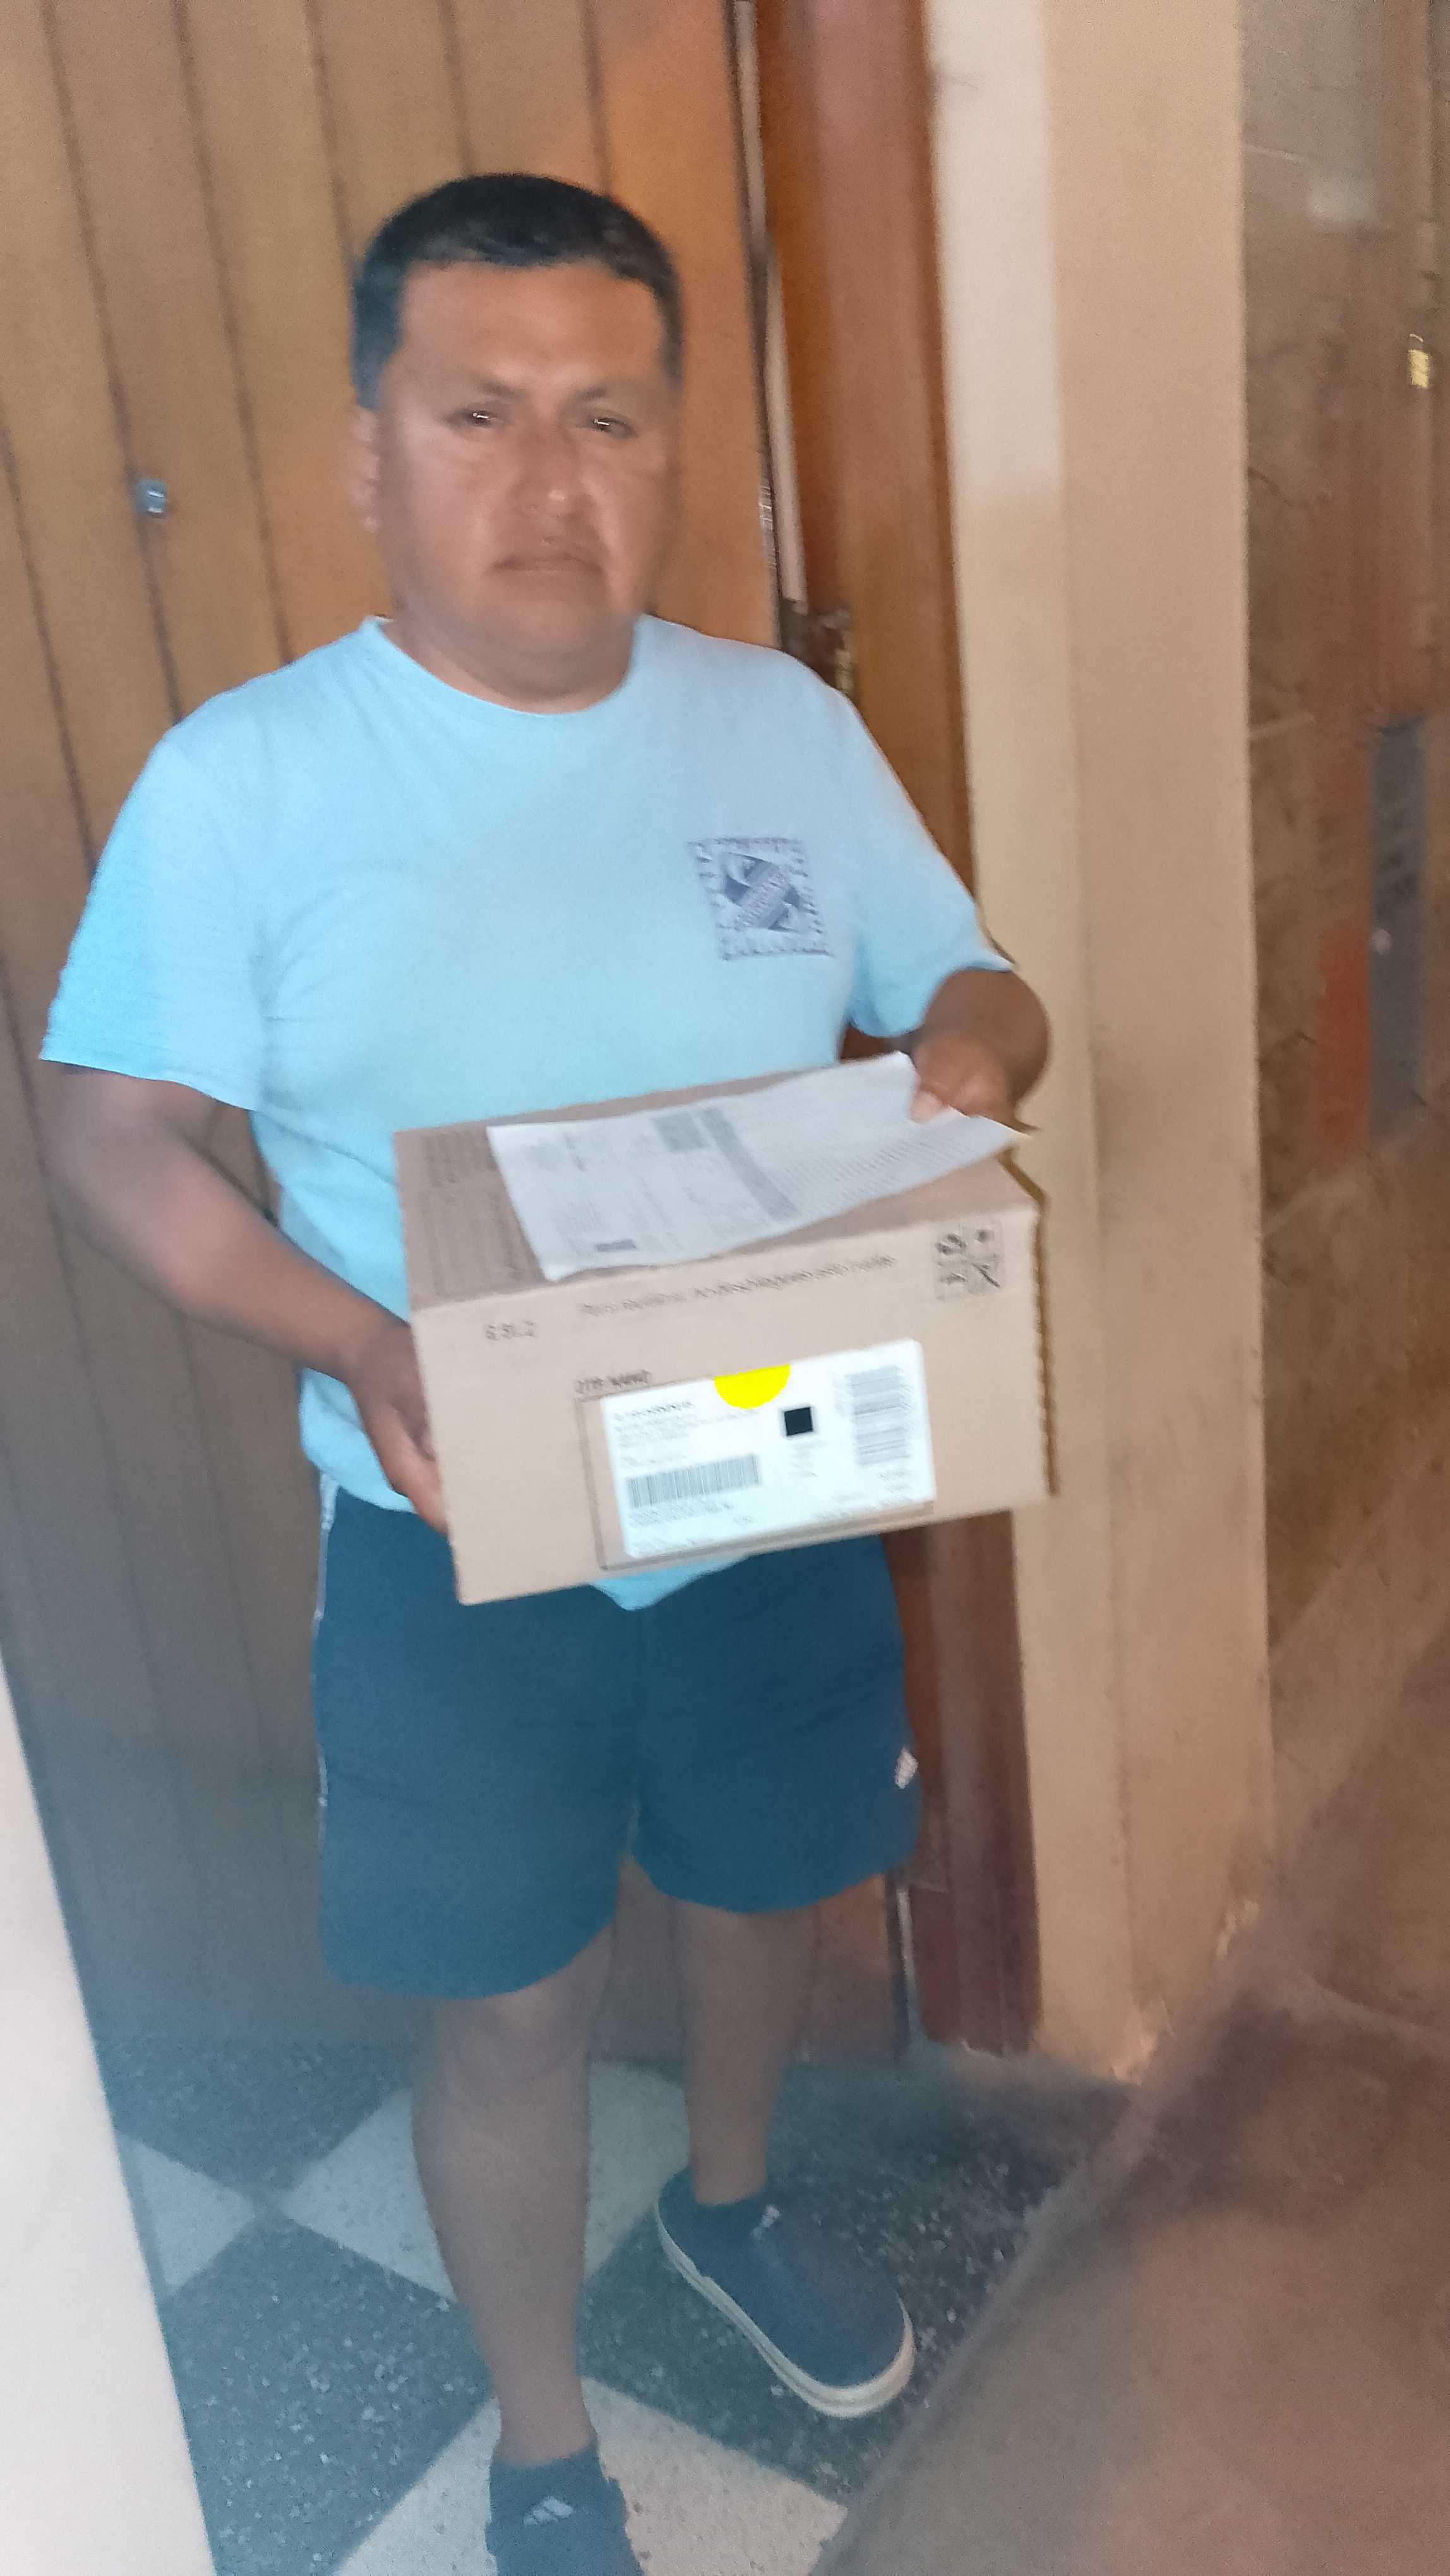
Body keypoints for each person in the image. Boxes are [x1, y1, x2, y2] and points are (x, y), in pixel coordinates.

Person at [41, 175, 1048, 2576]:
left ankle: (723, 2208)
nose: (549, 477)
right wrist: (358, 1338)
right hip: (450, 1519)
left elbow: (972, 976)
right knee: (505, 2005)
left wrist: (973, 1054)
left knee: (765, 1898)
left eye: (607, 416)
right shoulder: (250, 780)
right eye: (476, 413)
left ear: (672, 448)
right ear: (368, 455)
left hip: (771, 1468)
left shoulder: (778, 726)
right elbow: (108, 1136)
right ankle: (540, 2440)